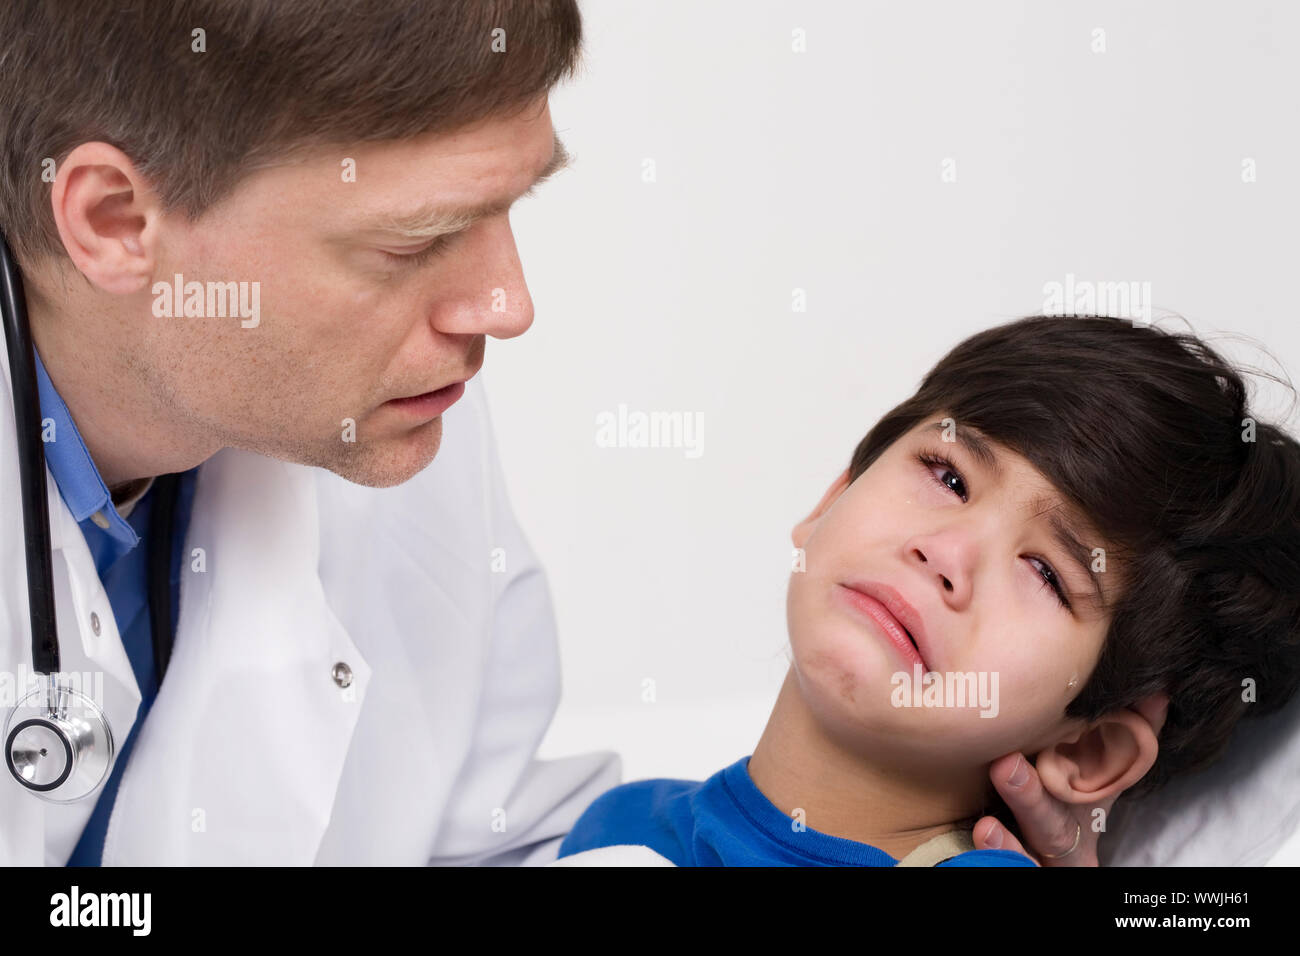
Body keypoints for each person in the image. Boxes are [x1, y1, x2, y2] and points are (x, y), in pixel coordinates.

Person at [0, 0, 1138, 866]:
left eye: (513, 206)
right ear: (113, 220)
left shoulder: (382, 414)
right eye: (413, 243)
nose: (506, 304)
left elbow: (487, 839)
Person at [557, 315, 1300, 866]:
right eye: (948, 477)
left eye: (1046, 572)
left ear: (1092, 749)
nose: (946, 554)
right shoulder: (618, 828)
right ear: (831, 501)